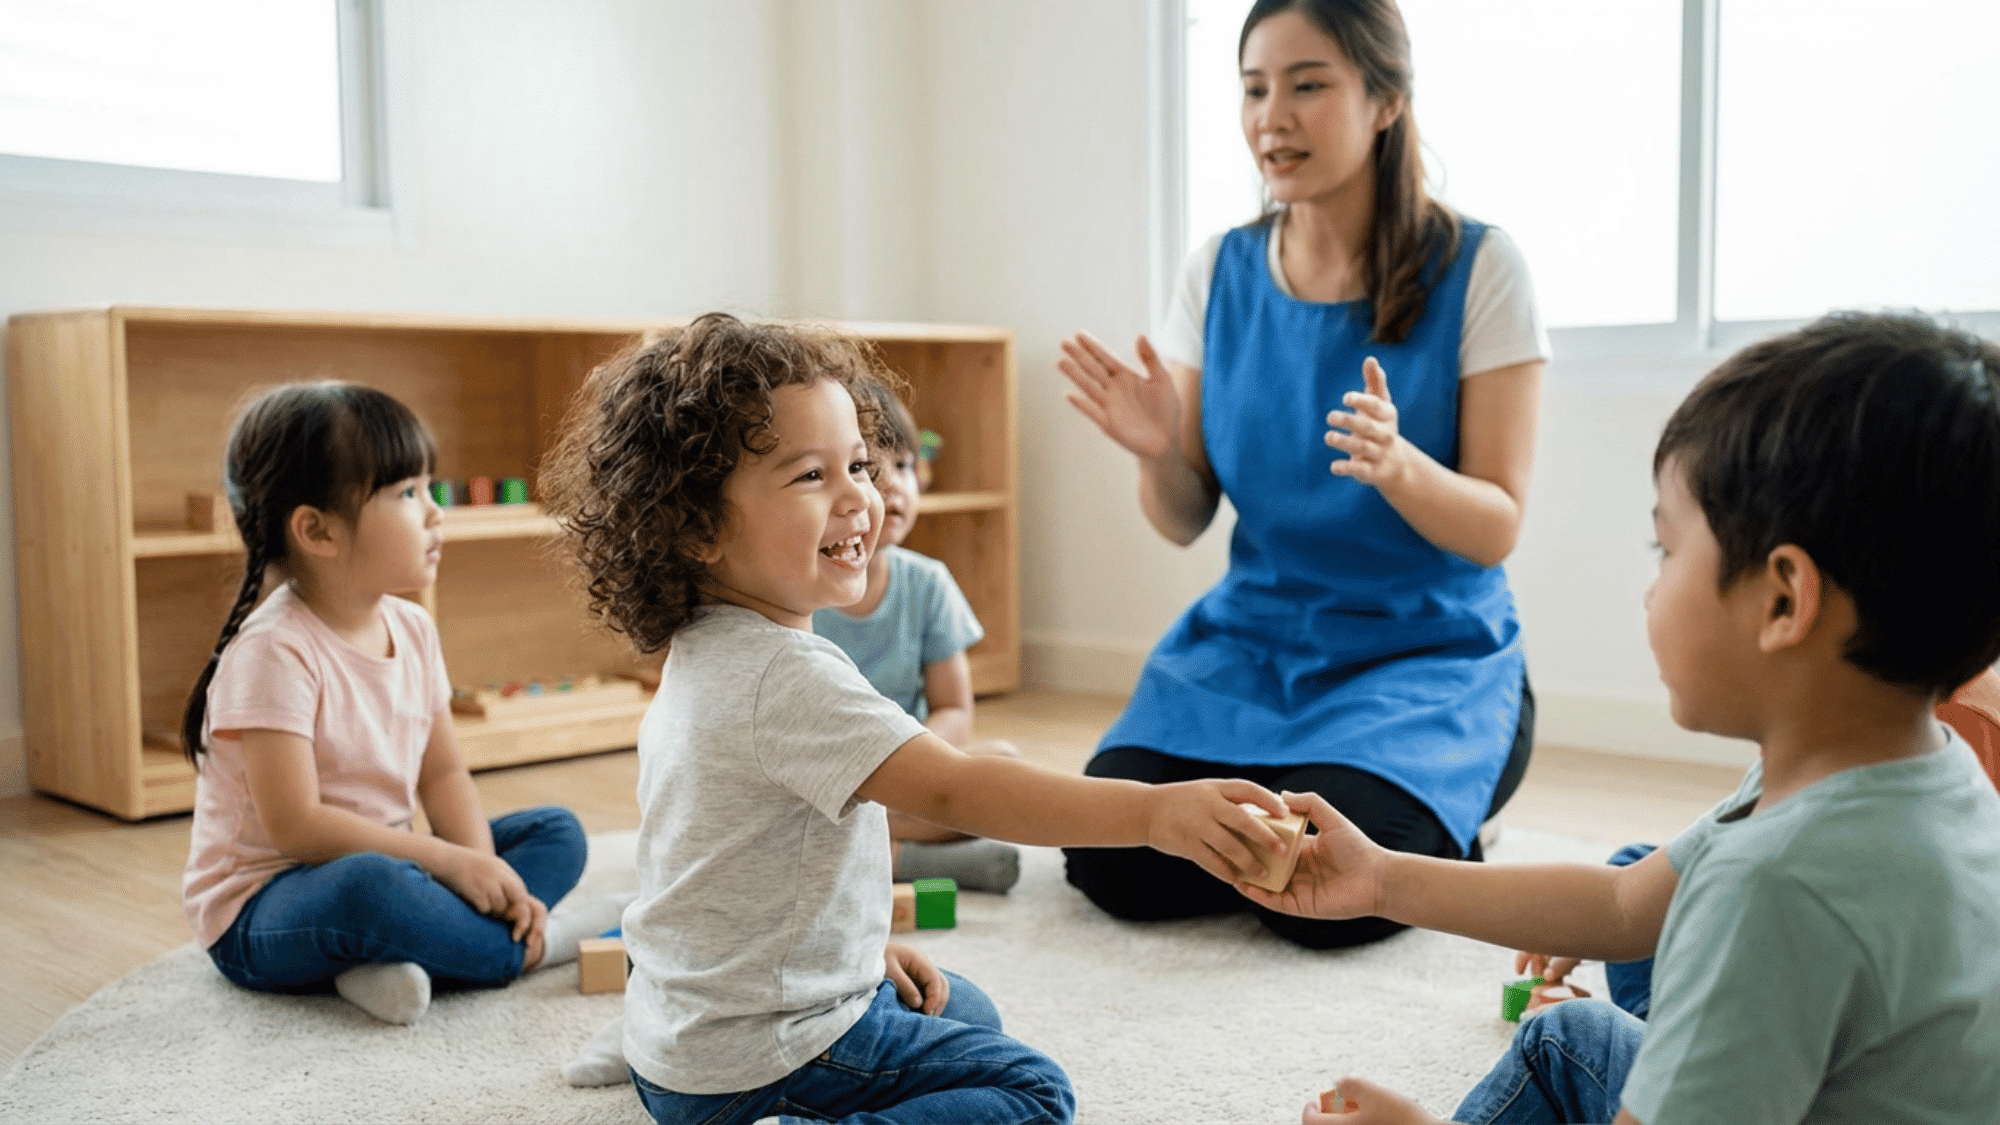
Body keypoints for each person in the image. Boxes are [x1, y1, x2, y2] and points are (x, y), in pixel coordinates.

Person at [1240, 312, 2000, 1124]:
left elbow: (1706, 906)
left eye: (1665, 549)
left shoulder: (1770, 892)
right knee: (1576, 1026)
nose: (1650, 589)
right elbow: (1621, 906)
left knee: (1559, 1044)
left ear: (1784, 600)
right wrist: (1380, 878)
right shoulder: (1932, 772)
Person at [538, 312, 1293, 1124]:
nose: (859, 498)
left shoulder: (696, 653)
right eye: (811, 476)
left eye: (859, 465)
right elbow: (961, 789)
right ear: (697, 527)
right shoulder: (788, 677)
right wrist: (1153, 813)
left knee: (965, 1011)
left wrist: (854, 954)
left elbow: (721, 882)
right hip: (762, 1060)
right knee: (1032, 1092)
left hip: (682, 1047)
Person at [1059, 0, 1549, 948]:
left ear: (1386, 100)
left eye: (1308, 85)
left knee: (1332, 893)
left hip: (1422, 659)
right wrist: (1159, 449)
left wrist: (1401, 468)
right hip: (1254, 646)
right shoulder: (1218, 271)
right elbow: (1183, 517)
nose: (1271, 118)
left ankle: (1453, 815)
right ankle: (1331, 808)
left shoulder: (1483, 268)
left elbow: (1497, 525)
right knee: (1112, 857)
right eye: (1254, 89)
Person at [180, 382, 621, 1027]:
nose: (436, 512)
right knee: (373, 890)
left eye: (428, 488)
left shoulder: (412, 628)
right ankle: (528, 947)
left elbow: (442, 775)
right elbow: (297, 828)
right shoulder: (273, 651)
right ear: (317, 531)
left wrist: (481, 870)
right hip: (267, 906)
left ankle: (401, 958)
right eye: (408, 493)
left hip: (393, 865)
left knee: (557, 833)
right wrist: (447, 862)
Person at [813, 381, 1023, 894]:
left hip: (905, 774)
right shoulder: (803, 592)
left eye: (905, 466)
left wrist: (911, 762)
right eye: (870, 469)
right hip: (825, 782)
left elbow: (954, 709)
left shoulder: (927, 583)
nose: (894, 487)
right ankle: (900, 859)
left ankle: (867, 853)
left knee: (1004, 768)